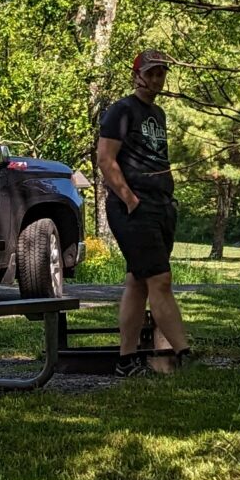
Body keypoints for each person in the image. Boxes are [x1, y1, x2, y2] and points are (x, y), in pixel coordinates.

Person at [96, 50, 189, 374]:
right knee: (161, 280)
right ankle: (186, 354)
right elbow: (106, 160)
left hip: (161, 205)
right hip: (134, 207)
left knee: (138, 281)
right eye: (150, 73)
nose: (156, 79)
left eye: (161, 73)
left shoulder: (158, 114)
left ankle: (126, 360)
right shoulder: (120, 111)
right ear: (136, 75)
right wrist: (129, 199)